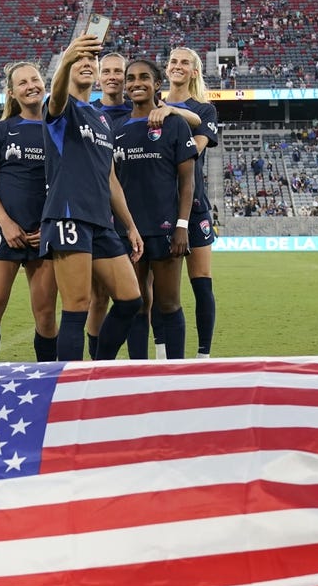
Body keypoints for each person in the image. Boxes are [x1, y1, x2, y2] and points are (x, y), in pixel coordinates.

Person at [41, 32, 143, 361]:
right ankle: (69, 385)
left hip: (102, 221)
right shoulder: (60, 107)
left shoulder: (101, 119)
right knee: (77, 308)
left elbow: (110, 177)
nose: (86, 65)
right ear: (69, 67)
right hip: (69, 216)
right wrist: (68, 55)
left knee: (131, 299)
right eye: (79, 61)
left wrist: (130, 225)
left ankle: (101, 367)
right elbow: (55, 96)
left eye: (91, 61)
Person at [0, 61, 58, 362]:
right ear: (12, 92)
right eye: (22, 83)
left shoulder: (58, 127)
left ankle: (47, 384)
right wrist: (6, 223)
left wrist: (50, 225)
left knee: (46, 315)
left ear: (44, 83)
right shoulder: (2, 129)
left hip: (44, 232)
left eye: (34, 79)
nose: (30, 86)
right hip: (3, 231)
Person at [111, 58, 197, 359]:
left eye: (144, 77)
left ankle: (177, 374)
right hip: (127, 231)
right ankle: (138, 370)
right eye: (130, 78)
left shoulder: (174, 124)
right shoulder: (116, 128)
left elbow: (187, 181)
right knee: (136, 303)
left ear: (156, 84)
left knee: (168, 303)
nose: (136, 83)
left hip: (165, 228)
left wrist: (182, 226)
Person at [162, 47, 219, 358]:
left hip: (194, 206)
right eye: (173, 61)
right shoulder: (151, 105)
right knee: (162, 291)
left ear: (195, 71)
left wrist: (173, 112)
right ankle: (161, 356)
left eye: (185, 62)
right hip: (158, 206)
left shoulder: (205, 110)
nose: (178, 66)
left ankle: (203, 356)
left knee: (202, 284)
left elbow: (192, 152)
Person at [85, 52, 133, 359]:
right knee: (97, 298)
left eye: (120, 71)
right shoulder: (86, 113)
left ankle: (136, 364)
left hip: (137, 217)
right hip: (98, 217)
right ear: (99, 76)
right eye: (108, 71)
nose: (113, 76)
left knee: (139, 299)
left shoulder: (142, 110)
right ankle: (98, 363)